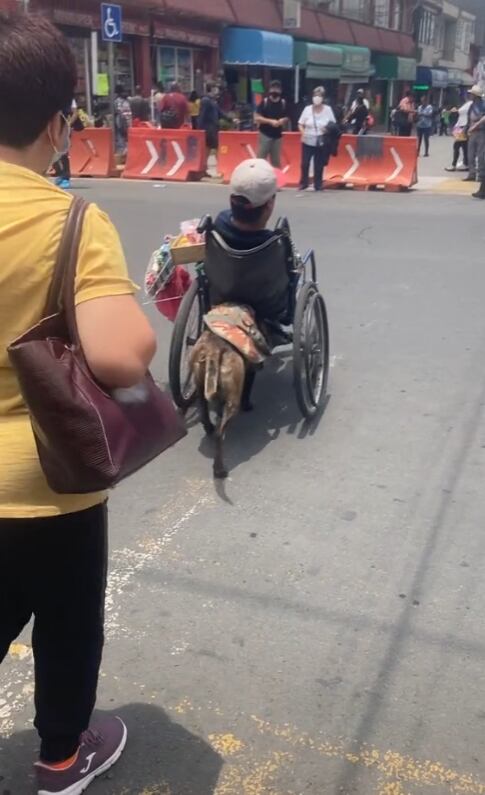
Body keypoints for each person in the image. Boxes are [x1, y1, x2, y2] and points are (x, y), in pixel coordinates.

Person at [0, 13, 157, 795]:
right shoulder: (69, 220)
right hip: (48, 484)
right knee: (66, 624)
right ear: (59, 123)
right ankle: (63, 756)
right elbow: (120, 354)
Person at [297, 86, 336, 193]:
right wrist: (303, 133)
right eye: (315, 95)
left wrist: (326, 129)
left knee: (318, 164)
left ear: (323, 98)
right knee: (305, 163)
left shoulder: (328, 110)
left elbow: (333, 124)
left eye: (319, 96)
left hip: (321, 140)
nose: (317, 98)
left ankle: (318, 184)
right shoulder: (307, 109)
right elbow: (300, 123)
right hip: (308, 139)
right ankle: (303, 183)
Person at [254, 80, 288, 169]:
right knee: (260, 160)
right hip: (265, 134)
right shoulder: (264, 102)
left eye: (277, 88)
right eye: (273, 88)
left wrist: (282, 120)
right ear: (270, 90)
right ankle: (258, 180)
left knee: (276, 162)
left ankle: (277, 181)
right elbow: (257, 117)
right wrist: (270, 121)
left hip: (277, 137)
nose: (275, 90)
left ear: (280, 91)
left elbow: (287, 117)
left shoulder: (283, 103)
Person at [199, 83, 231, 178]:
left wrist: (230, 119)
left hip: (213, 128)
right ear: (211, 89)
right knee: (213, 149)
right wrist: (200, 129)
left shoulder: (212, 101)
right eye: (215, 89)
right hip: (208, 128)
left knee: (210, 149)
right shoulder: (205, 101)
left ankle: (207, 169)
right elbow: (202, 115)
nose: (217, 91)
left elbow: (220, 113)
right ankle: (217, 169)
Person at [463, 85, 485, 183]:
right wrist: (465, 128)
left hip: (481, 131)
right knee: (470, 154)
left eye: (471, 94)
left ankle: (481, 175)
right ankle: (471, 174)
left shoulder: (483, 104)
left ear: (476, 95)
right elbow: (468, 118)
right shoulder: (471, 105)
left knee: (481, 155)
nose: (469, 95)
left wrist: (476, 124)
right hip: (472, 132)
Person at [445, 99, 472, 172]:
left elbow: (469, 117)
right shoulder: (468, 103)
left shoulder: (472, 104)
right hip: (459, 126)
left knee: (457, 146)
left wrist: (466, 127)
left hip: (463, 126)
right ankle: (466, 163)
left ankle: (454, 165)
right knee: (464, 147)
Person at [114, 84, 132, 153]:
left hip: (121, 119)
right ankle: (127, 150)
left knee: (120, 135)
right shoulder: (128, 99)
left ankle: (122, 151)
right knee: (127, 136)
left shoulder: (117, 101)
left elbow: (117, 110)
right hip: (129, 119)